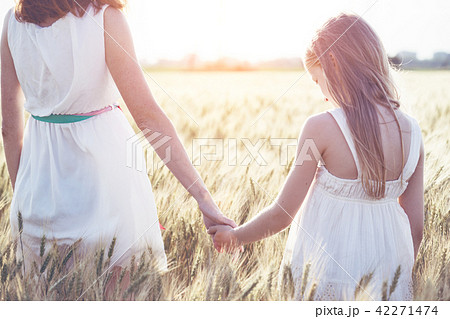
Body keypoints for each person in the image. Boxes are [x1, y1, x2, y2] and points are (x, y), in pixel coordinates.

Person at [1, 0, 236, 299]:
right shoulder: (105, 17)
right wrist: (203, 198)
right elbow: (148, 117)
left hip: (36, 186)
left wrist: (24, 196)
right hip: (106, 183)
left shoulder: (12, 22)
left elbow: (9, 128)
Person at [208, 13, 424, 301]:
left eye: (316, 79)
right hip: (387, 281)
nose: (321, 93)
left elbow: (282, 213)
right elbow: (416, 228)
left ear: (334, 63)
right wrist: (397, 278)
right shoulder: (413, 131)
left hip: (329, 277)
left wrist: (236, 237)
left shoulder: (321, 127)